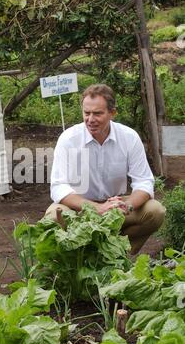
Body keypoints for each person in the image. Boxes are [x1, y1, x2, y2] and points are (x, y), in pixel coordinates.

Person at [46, 84, 166, 255]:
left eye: (97, 113)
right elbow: (58, 186)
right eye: (87, 113)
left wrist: (127, 205)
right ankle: (67, 266)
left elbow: (144, 181)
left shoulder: (129, 137)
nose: (90, 119)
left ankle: (117, 253)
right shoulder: (69, 139)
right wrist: (95, 208)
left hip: (117, 206)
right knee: (53, 217)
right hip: (79, 206)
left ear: (112, 113)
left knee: (155, 211)